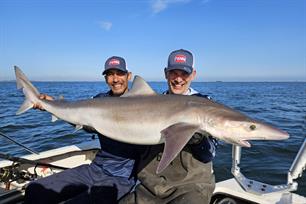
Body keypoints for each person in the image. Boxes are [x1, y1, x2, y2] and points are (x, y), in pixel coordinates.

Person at [24, 56, 144, 204]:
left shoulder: (143, 104)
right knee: (34, 190)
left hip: (122, 177)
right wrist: (52, 105)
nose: (115, 79)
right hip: (96, 168)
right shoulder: (99, 101)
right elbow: (85, 125)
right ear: (105, 78)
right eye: (110, 74)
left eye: (119, 73)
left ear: (129, 75)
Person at [120, 49, 217, 204]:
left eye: (184, 73)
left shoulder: (206, 104)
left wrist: (198, 141)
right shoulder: (149, 103)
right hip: (150, 186)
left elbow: (209, 154)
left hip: (191, 187)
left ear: (193, 74)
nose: (178, 79)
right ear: (165, 73)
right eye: (173, 72)